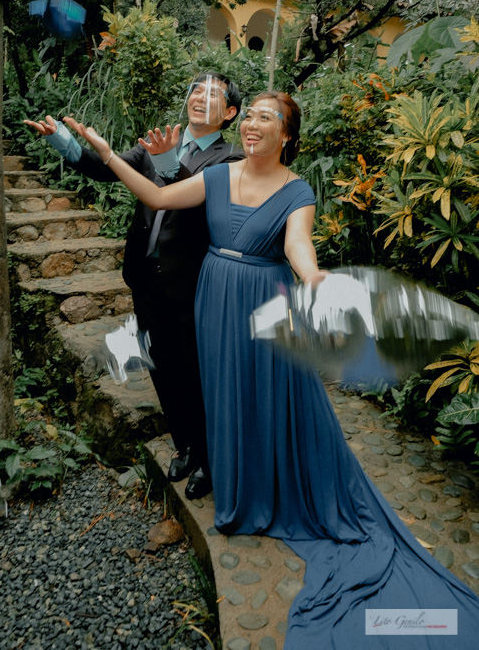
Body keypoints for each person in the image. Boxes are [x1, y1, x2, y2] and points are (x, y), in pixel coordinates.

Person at [62, 90, 479, 648]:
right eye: (251, 115)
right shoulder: (217, 175)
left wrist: (314, 279)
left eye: (267, 118)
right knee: (224, 392)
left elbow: (299, 245)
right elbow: (156, 196)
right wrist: (108, 153)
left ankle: (275, 489)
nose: (254, 124)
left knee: (268, 393)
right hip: (214, 294)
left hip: (263, 298)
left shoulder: (297, 190)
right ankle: (240, 490)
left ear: (287, 135)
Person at [24, 72, 243, 500]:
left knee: (197, 372)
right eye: (196, 90)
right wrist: (64, 142)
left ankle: (210, 459)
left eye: (213, 94)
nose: (200, 97)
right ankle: (185, 445)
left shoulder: (230, 159)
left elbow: (194, 201)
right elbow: (105, 168)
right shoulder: (157, 143)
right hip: (145, 276)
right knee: (162, 366)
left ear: (230, 113)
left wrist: (167, 163)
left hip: (192, 282)